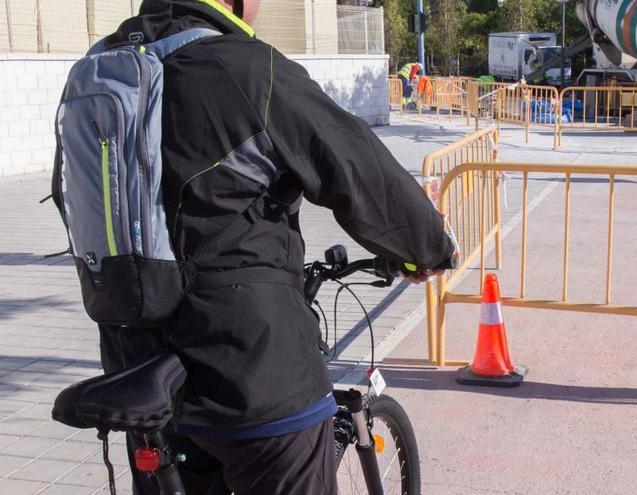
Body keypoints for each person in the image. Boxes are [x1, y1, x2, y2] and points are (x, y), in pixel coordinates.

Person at [60, 0, 455, 493]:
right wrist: (429, 247)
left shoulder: (96, 75)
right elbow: (358, 169)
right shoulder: (247, 69)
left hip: (140, 364)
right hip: (254, 373)